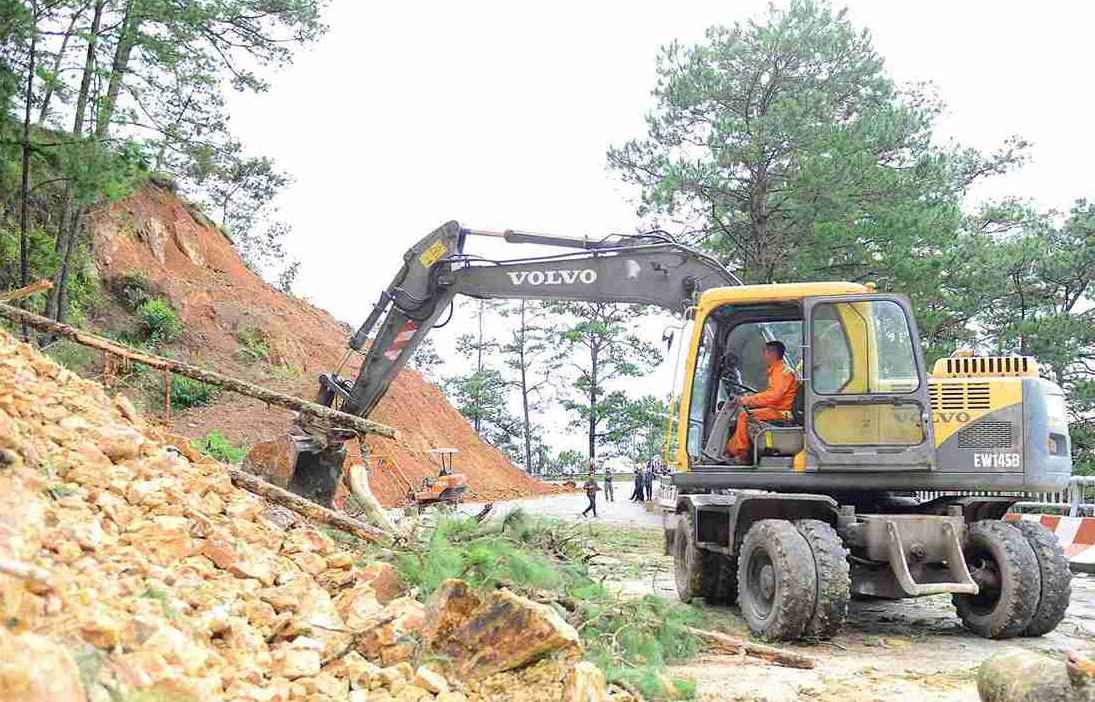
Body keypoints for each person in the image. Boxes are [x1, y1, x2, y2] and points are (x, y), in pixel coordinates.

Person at [726, 340, 799, 464]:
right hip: (777, 409)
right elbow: (772, 395)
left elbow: (774, 396)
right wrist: (751, 399)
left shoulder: (782, 372)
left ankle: (741, 454)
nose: (763, 355)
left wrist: (747, 400)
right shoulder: (777, 370)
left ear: (772, 353)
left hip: (782, 412)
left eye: (765, 352)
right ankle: (731, 451)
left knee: (744, 416)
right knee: (746, 414)